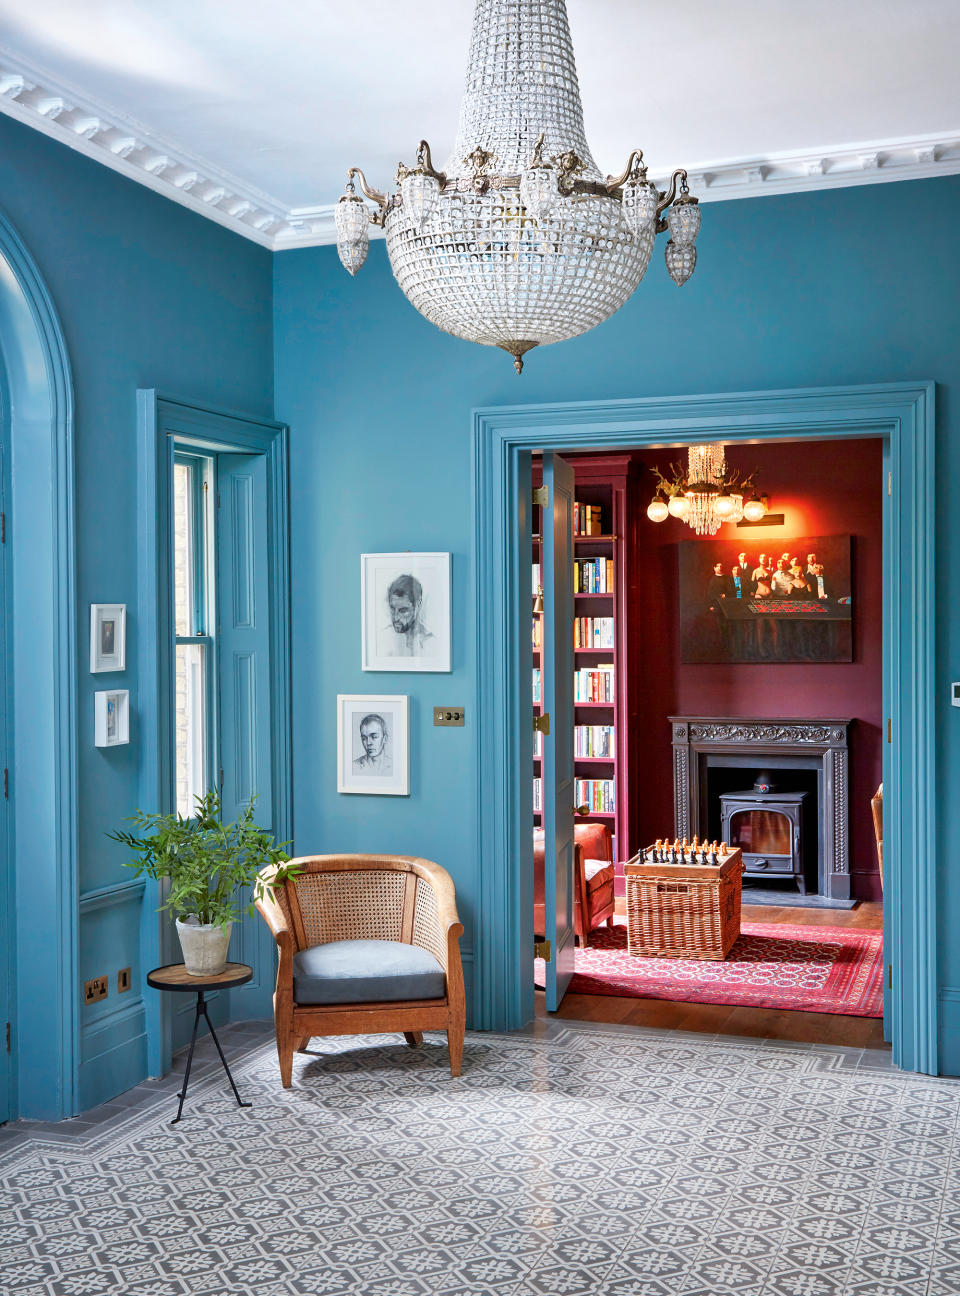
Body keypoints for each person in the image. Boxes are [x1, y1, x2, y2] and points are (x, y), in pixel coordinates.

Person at [376, 573, 434, 658]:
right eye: (392, 609)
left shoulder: (430, 643)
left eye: (403, 610)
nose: (395, 618)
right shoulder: (383, 639)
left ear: (417, 606)